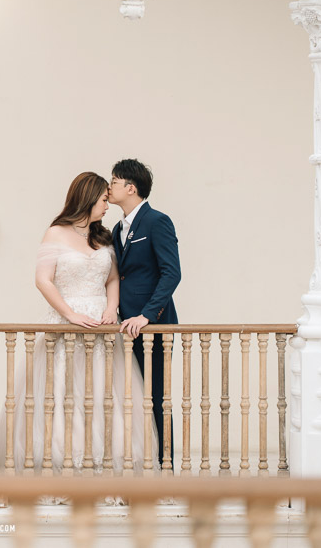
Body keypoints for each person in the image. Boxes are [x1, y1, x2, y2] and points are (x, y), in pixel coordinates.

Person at [12, 171, 151, 477]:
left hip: (101, 327)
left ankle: (106, 462)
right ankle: (63, 464)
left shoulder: (103, 235)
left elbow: (113, 278)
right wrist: (70, 313)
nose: (107, 206)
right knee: (64, 393)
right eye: (103, 200)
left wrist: (112, 308)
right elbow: (42, 280)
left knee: (104, 393)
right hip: (68, 325)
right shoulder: (56, 233)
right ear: (87, 198)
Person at [107, 159, 181, 466]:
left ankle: (166, 464)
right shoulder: (116, 228)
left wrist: (147, 315)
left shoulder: (157, 221)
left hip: (154, 326)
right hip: (124, 327)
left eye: (113, 182)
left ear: (130, 187)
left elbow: (171, 273)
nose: (108, 187)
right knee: (134, 397)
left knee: (158, 397)